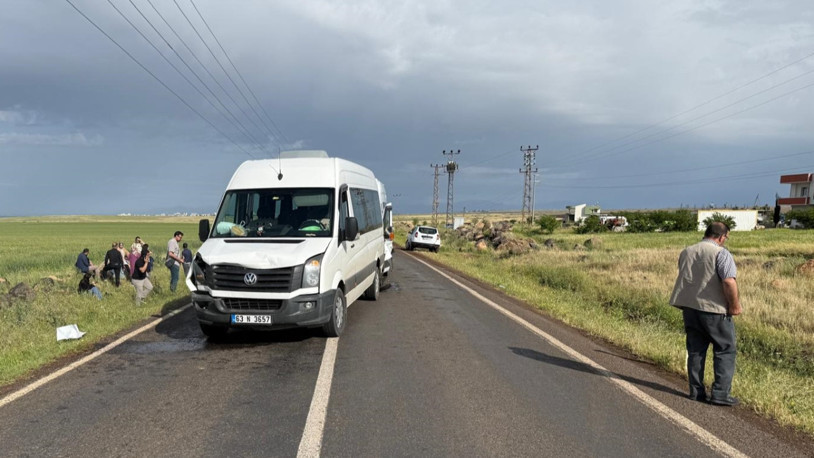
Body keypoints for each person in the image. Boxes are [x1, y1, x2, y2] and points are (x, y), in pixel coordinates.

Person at [669, 222, 742, 407]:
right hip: (714, 310)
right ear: (722, 236)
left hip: (690, 308)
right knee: (725, 349)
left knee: (695, 350)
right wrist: (734, 306)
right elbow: (728, 282)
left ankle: (696, 391)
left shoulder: (687, 251)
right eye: (726, 238)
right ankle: (720, 394)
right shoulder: (721, 253)